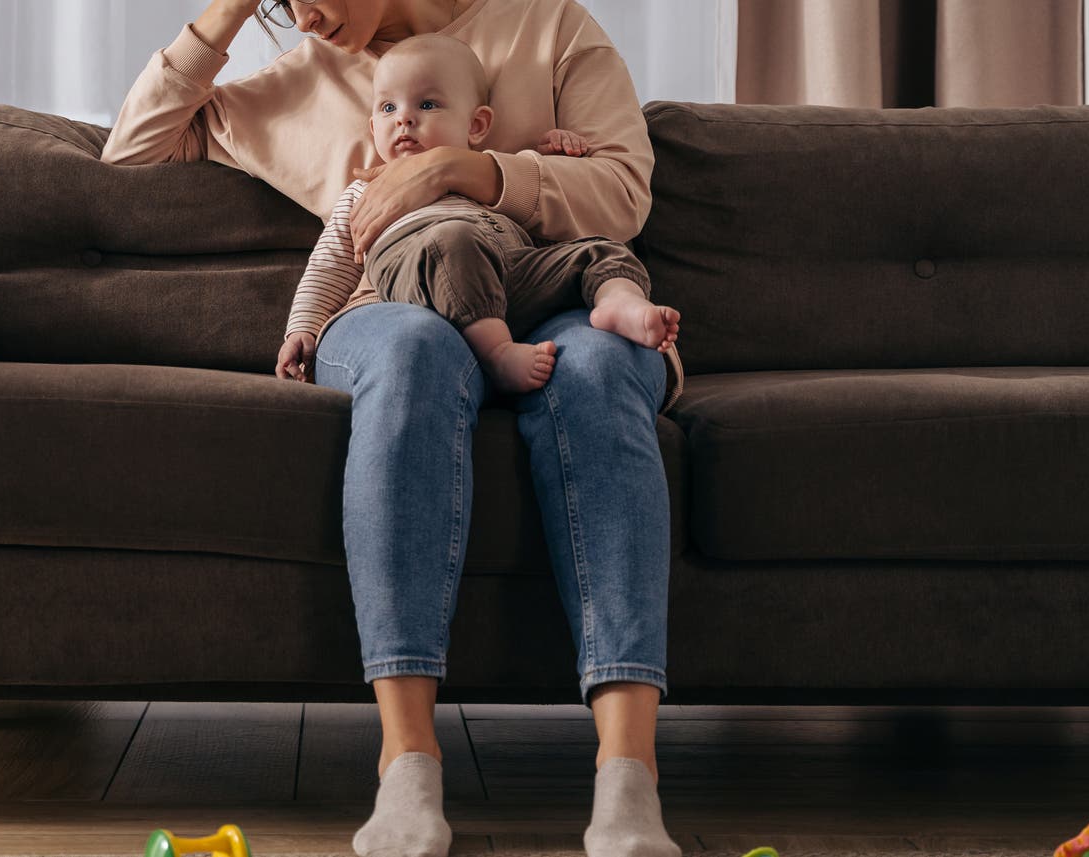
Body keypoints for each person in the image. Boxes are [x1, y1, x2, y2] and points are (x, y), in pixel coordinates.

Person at [105, 2, 681, 855]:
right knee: (416, 349)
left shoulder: (548, 26)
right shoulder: (298, 78)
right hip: (391, 308)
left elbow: (623, 192)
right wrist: (229, 11)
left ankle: (629, 774)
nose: (299, 13)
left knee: (598, 369)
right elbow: (131, 148)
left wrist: (465, 170)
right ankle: (406, 761)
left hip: (551, 294)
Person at [275, 33, 683, 397]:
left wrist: (557, 154)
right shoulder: (366, 189)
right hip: (422, 276)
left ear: (476, 124)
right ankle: (497, 353)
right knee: (453, 241)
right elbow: (329, 263)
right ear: (372, 126)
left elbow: (549, 213)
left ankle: (619, 304)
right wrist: (303, 328)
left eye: (427, 104)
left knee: (599, 251)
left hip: (507, 275)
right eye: (387, 108)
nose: (403, 118)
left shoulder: (494, 170)